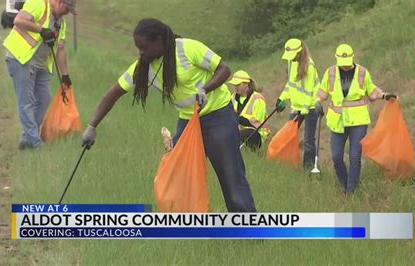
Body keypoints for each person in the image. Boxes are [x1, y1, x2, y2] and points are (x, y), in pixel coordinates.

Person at [81, 18, 256, 212]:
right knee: (176, 177)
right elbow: (112, 94)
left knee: (232, 179)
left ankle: (249, 233)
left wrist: (205, 89)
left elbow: (224, 69)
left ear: (159, 41)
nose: (140, 52)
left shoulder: (188, 48)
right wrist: (92, 127)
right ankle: (187, 226)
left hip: (218, 118)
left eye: (144, 47)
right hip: (187, 121)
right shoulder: (144, 67)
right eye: (138, 48)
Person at [316, 43, 396, 193]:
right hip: (338, 122)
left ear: (353, 57)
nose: (345, 66)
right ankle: (345, 183)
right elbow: (322, 92)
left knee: (355, 156)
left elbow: (371, 91)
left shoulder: (362, 73)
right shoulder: (331, 73)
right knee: (336, 156)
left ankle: (351, 190)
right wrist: (317, 103)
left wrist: (384, 95)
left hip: (358, 122)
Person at [3, 0, 76, 150]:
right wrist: (41, 30)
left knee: (43, 99)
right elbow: (18, 20)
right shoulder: (39, 3)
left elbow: (61, 49)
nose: (67, 12)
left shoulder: (61, 23)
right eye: (67, 8)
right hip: (20, 58)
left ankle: (27, 138)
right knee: (26, 101)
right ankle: (35, 142)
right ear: (59, 2)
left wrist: (65, 75)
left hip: (41, 64)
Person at [275, 39, 319, 169]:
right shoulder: (291, 63)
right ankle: (286, 164)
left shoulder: (309, 66)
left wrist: (303, 110)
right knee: (288, 136)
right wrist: (282, 98)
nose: (291, 59)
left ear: (299, 53)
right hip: (297, 107)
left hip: (310, 107)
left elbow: (309, 91)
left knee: (308, 141)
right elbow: (291, 84)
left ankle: (309, 169)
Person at [228, 70, 268, 151]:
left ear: (247, 84)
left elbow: (257, 122)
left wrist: (238, 118)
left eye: (238, 84)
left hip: (256, 134)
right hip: (237, 131)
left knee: (242, 134)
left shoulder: (258, 98)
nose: (236, 87)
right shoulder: (232, 98)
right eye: (234, 85)